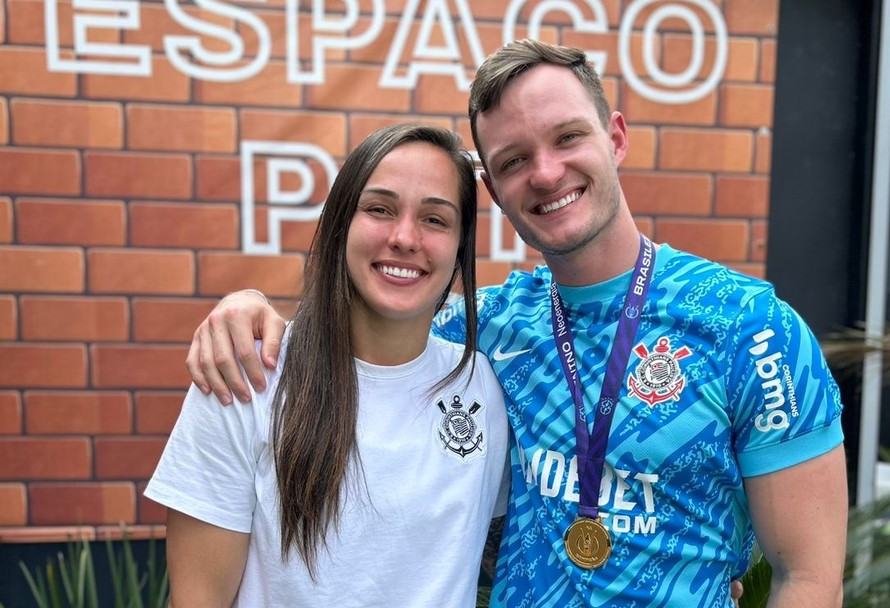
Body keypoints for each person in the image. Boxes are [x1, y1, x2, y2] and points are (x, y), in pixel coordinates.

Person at [186, 40, 848, 607]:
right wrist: (249, 310)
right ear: (494, 189)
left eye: (567, 138)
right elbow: (373, 332)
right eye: (512, 161)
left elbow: (810, 576)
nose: (546, 172)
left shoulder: (751, 328)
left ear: (614, 138)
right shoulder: (485, 334)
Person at [146, 124, 510, 607]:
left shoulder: (483, 385)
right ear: (341, 224)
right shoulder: (250, 377)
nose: (404, 237)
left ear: (461, 246)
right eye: (379, 209)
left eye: (435, 219)